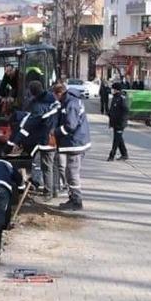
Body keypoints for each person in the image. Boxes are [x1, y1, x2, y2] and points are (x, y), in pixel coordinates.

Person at [7, 81, 59, 196]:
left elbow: (27, 127)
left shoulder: (36, 107)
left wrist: (14, 142)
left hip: (46, 139)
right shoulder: (52, 99)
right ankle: (55, 189)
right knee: (53, 164)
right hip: (55, 137)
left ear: (31, 92)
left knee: (45, 165)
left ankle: (47, 191)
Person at [53, 82, 92, 211]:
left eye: (55, 95)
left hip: (75, 143)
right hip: (75, 142)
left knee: (72, 173)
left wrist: (56, 132)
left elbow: (70, 125)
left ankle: (76, 201)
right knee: (70, 172)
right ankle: (73, 198)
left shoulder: (70, 104)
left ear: (59, 93)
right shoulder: (70, 101)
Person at [107, 88, 129, 161]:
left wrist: (121, 121)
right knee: (119, 139)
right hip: (115, 122)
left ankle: (111, 155)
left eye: (113, 89)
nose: (112, 90)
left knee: (116, 140)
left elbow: (125, 111)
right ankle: (124, 154)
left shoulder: (122, 98)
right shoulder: (115, 97)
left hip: (120, 123)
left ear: (117, 90)